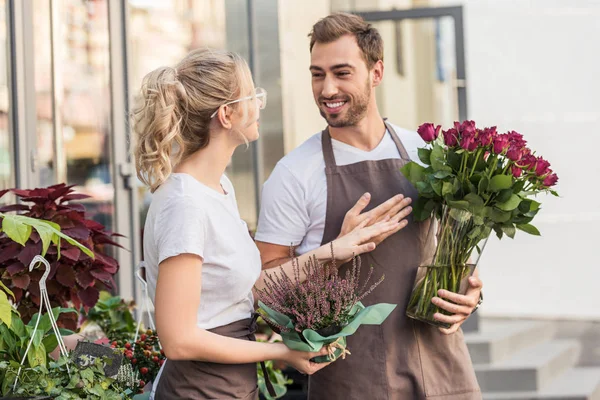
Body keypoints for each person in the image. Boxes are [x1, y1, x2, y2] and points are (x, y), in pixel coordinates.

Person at [132, 48, 406, 399]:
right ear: (227, 115)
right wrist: (281, 352)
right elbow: (179, 340)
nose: (260, 103)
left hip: (231, 386)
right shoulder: (185, 205)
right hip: (198, 389)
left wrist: (334, 250)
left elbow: (246, 289)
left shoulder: (218, 189)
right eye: (253, 95)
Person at [256, 13, 483, 400]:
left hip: (442, 368)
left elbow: (450, 249)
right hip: (351, 378)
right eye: (317, 74)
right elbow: (266, 287)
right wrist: (334, 254)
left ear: (376, 72)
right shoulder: (294, 173)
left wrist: (471, 296)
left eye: (342, 72)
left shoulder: (426, 153)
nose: (327, 88)